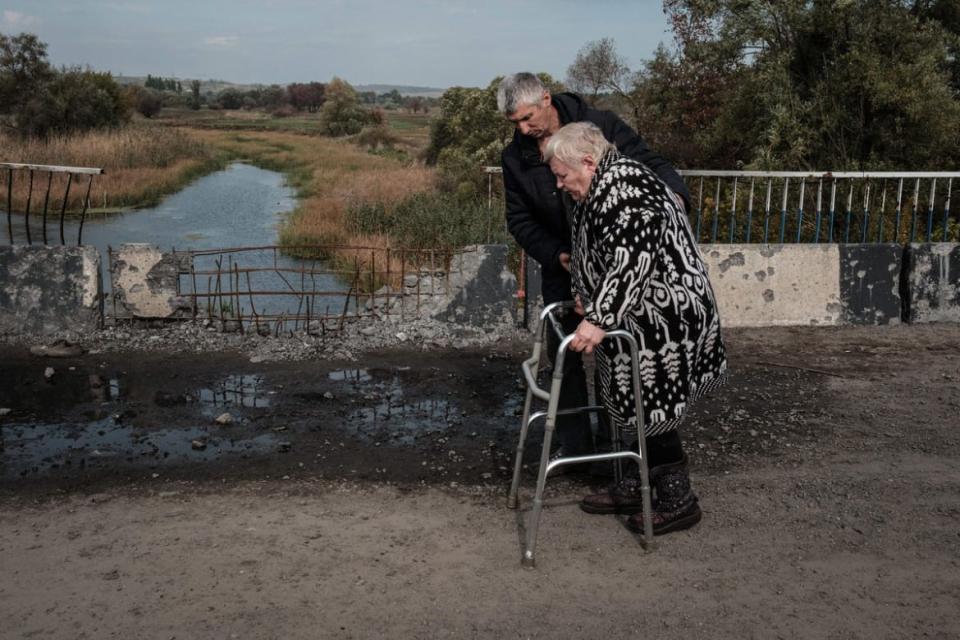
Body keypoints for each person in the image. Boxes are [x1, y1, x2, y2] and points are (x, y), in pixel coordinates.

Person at [543, 121, 727, 535]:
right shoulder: (600, 184)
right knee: (624, 399)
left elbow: (632, 260)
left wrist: (599, 317)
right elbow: (597, 249)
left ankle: (679, 501)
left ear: (588, 162)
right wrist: (587, 296)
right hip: (633, 314)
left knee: (651, 407)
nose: (559, 184)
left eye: (562, 174)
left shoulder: (626, 186)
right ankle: (634, 482)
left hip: (664, 316)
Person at [498, 72, 690, 465]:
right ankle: (578, 452)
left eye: (527, 117)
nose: (523, 129)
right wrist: (555, 254)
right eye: (514, 123)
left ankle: (618, 449)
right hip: (561, 267)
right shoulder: (514, 157)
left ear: (546, 99)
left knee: (615, 352)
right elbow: (519, 220)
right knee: (564, 358)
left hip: (609, 264)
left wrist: (675, 199)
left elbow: (649, 163)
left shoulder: (600, 126)